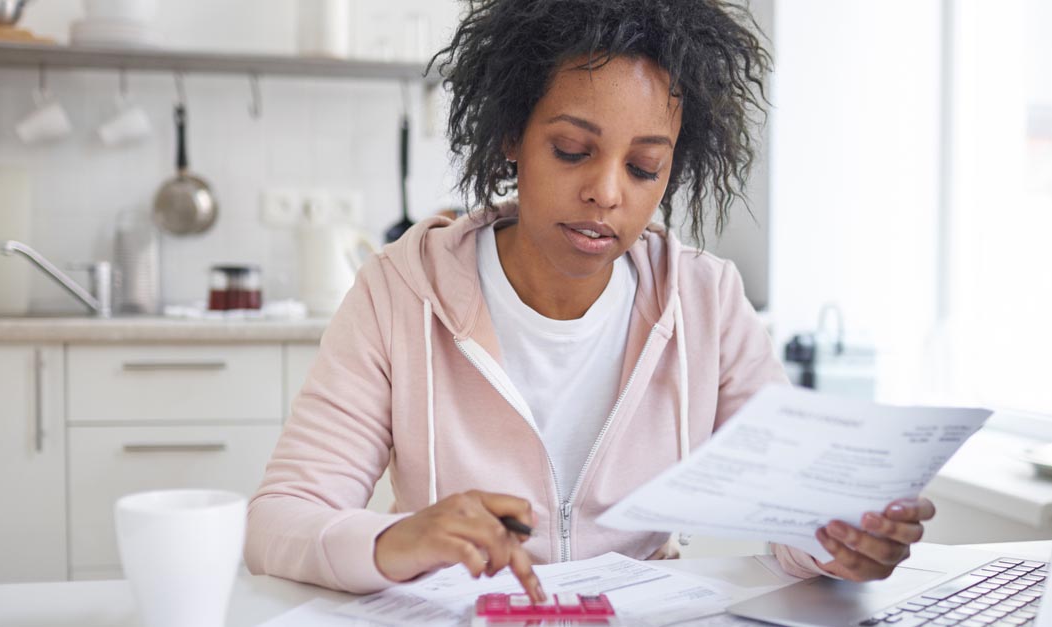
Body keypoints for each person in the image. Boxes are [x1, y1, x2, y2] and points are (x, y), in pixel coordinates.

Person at [245, 0, 936, 602]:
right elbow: (279, 518)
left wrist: (843, 541)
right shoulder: (399, 292)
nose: (609, 192)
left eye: (644, 167)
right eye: (573, 149)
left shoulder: (706, 301)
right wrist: (396, 539)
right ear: (512, 136)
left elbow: (796, 511)